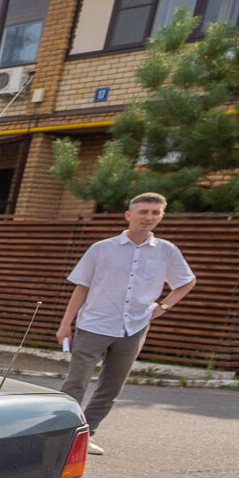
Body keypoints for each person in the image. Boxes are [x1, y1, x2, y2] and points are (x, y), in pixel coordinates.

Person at [55, 192, 196, 454]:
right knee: (76, 383)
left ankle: (86, 436)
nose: (149, 217)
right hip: (94, 325)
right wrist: (66, 324)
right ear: (129, 215)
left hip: (134, 328)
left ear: (162, 216)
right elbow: (81, 288)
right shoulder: (101, 248)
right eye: (143, 211)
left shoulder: (167, 251)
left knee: (111, 387)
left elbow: (187, 281)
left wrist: (163, 307)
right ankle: (60, 435)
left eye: (155, 213)